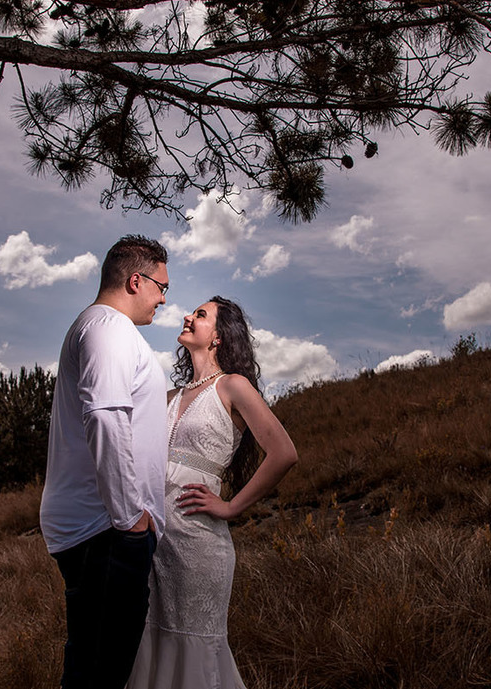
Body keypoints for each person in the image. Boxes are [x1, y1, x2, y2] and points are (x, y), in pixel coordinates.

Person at [127, 296, 298, 689]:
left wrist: (231, 506)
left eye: (200, 315)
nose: (188, 316)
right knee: (151, 644)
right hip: (155, 543)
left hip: (199, 543)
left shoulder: (233, 387)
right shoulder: (168, 397)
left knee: (196, 651)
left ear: (219, 336)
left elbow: (284, 453)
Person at [40, 234, 172, 689]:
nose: (163, 299)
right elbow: (105, 416)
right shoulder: (108, 328)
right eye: (161, 287)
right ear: (136, 280)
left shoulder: (104, 329)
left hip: (105, 533)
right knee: (99, 676)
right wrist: (130, 518)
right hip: (107, 534)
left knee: (96, 671)